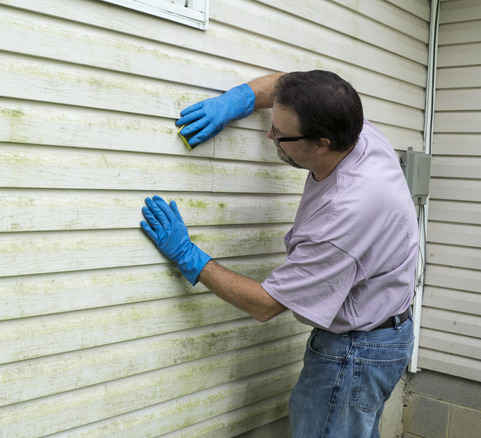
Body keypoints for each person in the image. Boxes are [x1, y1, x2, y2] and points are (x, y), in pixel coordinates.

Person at [140, 70, 418, 437]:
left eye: (280, 134)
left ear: (321, 144)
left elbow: (265, 304)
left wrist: (188, 255)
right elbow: (288, 85)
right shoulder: (354, 127)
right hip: (384, 330)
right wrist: (237, 101)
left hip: (357, 353)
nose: (270, 135)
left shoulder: (343, 217)